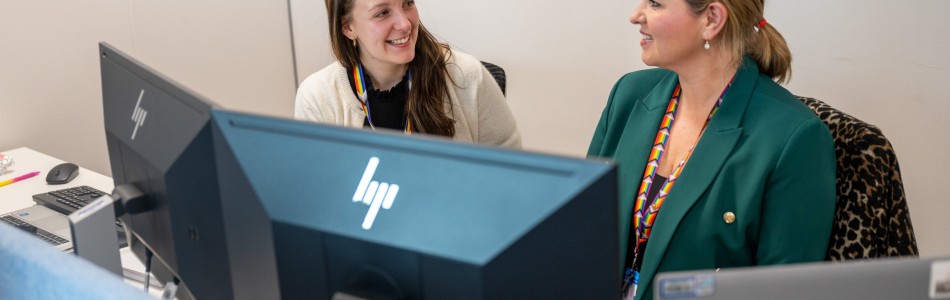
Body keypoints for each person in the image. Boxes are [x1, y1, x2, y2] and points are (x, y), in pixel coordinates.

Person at [587, 0, 836, 299]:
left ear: (712, 19)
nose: (635, 16)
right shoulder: (628, 94)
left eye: (655, 4)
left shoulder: (794, 138)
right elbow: (581, 228)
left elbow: (785, 292)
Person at [295, 0, 521, 148]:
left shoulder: (468, 76)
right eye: (382, 13)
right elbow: (317, 193)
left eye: (408, 3)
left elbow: (513, 174)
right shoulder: (317, 97)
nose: (404, 24)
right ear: (347, 28)